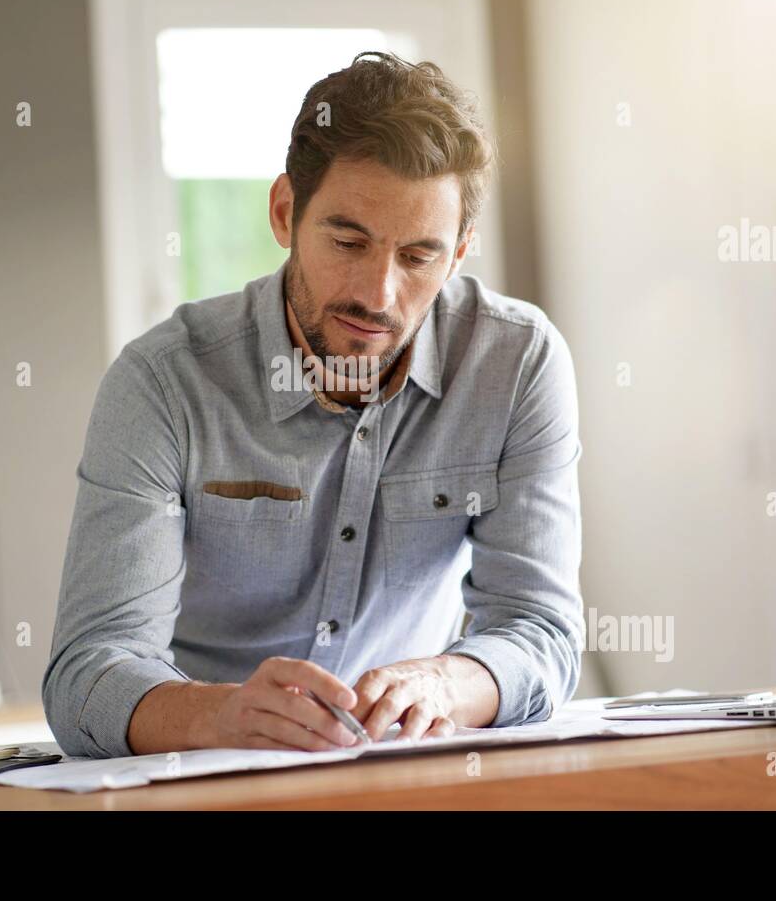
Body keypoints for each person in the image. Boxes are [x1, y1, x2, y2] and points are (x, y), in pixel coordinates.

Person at [43, 51, 584, 758]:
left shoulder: (516, 363)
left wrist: (447, 683)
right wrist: (223, 716)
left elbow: (540, 630)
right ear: (283, 212)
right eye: (348, 240)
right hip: (205, 784)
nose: (378, 295)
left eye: (418, 257)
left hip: (407, 780)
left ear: (458, 255)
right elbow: (88, 673)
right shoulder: (163, 383)